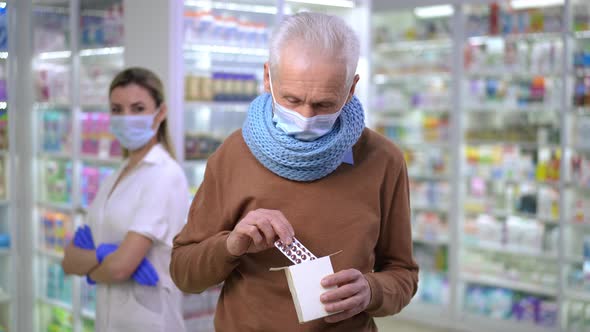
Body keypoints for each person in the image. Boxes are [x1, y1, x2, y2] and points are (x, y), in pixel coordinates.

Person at [170, 12, 419, 331]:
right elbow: (183, 272)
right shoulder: (233, 155)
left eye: (324, 104)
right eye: (292, 99)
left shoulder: (383, 160)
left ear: (352, 87)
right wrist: (231, 245)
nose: (305, 117)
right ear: (267, 78)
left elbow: (403, 274)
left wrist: (371, 290)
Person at [61, 67, 189, 332]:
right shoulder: (116, 175)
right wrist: (102, 256)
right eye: (117, 110)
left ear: (160, 113)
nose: (126, 118)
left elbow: (119, 268)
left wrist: (93, 265)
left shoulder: (164, 174)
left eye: (138, 108)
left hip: (150, 323)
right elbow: (68, 261)